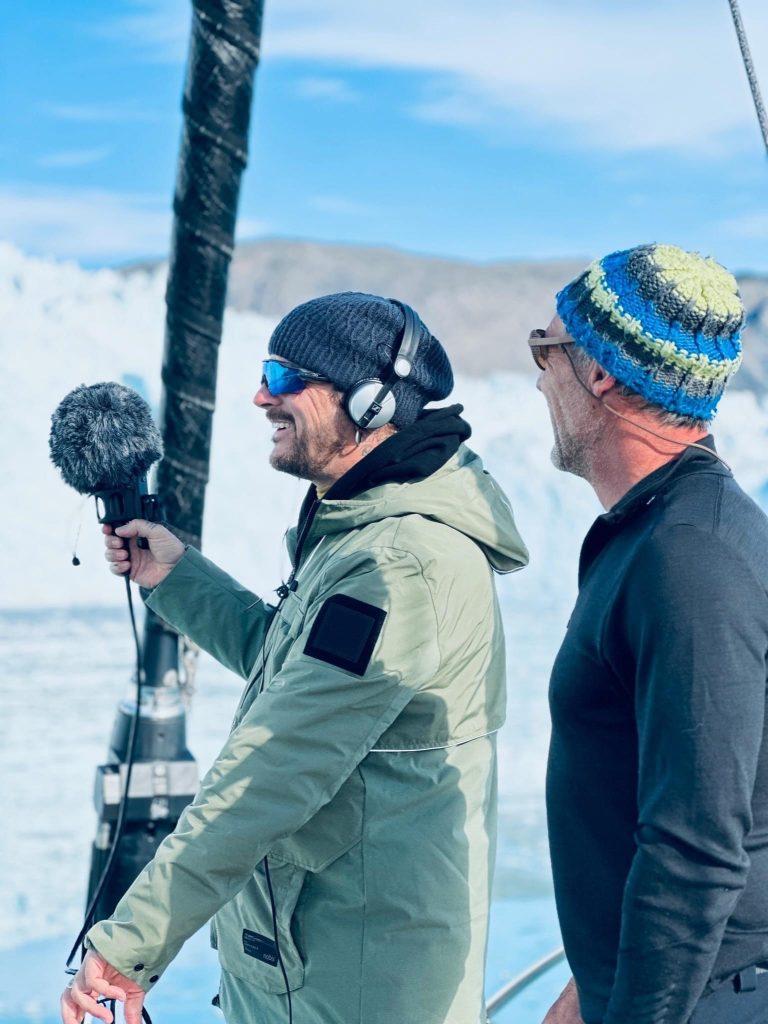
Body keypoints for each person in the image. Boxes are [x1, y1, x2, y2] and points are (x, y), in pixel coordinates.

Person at [59, 291, 529, 1024]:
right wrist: (178, 576)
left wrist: (132, 941)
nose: (260, 396)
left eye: (284, 378)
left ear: (371, 403)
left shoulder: (400, 562)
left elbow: (275, 766)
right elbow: (296, 672)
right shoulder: (364, 530)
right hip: (319, 957)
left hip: (355, 982)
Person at [534, 244, 768, 1024]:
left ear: (599, 371)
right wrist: (586, 987)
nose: (540, 377)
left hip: (707, 1001)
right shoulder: (655, 534)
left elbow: (694, 847)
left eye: (547, 348)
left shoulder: (691, 557)